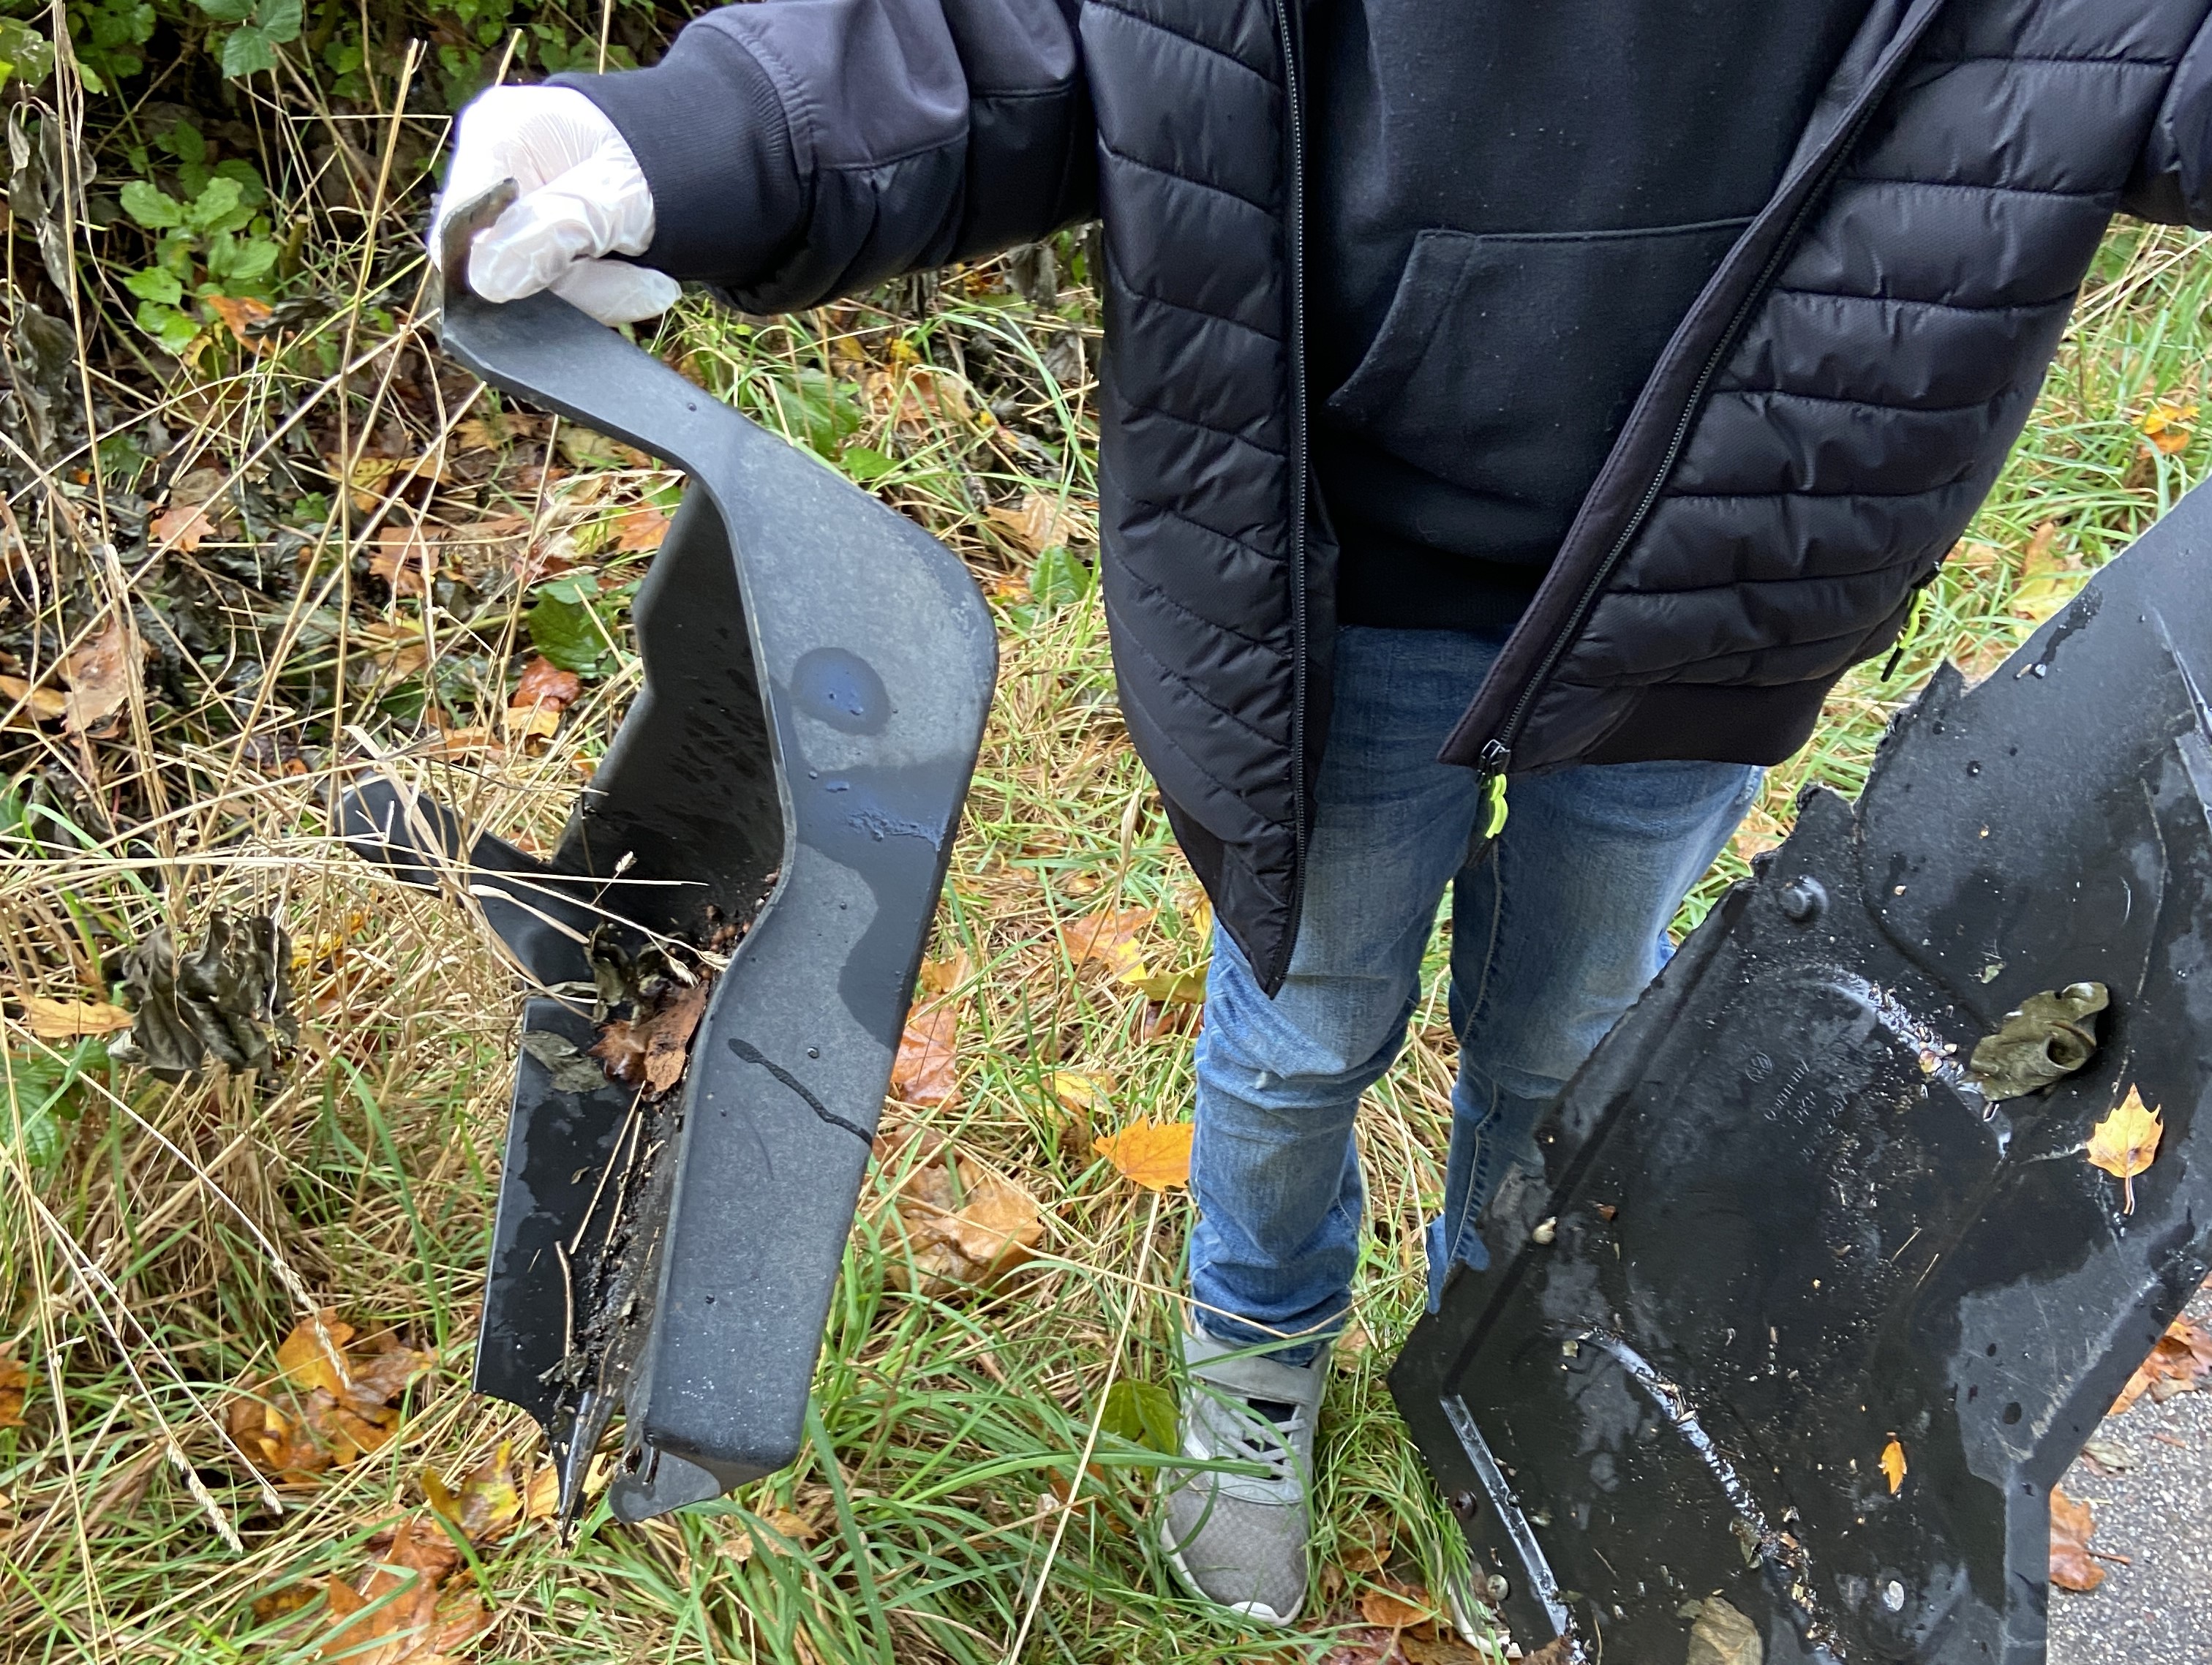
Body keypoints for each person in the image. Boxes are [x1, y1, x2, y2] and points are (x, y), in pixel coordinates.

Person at [433, 0, 2212, 1625]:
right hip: (1343, 596)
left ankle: (1506, 1353)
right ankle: (1257, 1365)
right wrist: (684, 144)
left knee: (1580, 1032)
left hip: (1714, 597)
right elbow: (1009, 41)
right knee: (1301, 1037)